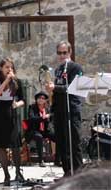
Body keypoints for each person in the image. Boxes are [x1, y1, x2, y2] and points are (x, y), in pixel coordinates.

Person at [46, 41, 83, 177]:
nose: (62, 56)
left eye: (64, 53)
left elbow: (74, 88)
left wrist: (55, 88)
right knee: (62, 143)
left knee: (74, 143)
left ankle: (78, 174)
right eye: (59, 53)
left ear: (70, 52)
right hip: (59, 110)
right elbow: (58, 90)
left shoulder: (75, 67)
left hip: (72, 109)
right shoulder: (58, 70)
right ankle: (67, 172)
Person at [0, 57, 25, 186]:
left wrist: (17, 104)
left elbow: (22, 99)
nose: (9, 69)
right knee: (1, 146)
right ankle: (6, 175)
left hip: (11, 111)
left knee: (15, 144)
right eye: (7, 67)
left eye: (11, 67)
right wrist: (7, 81)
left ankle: (18, 172)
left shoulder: (17, 81)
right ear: (1, 68)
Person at [26, 91, 55, 167]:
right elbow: (32, 118)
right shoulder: (32, 107)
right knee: (39, 137)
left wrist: (49, 117)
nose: (41, 99)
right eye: (39, 98)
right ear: (36, 99)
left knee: (56, 136)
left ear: (45, 100)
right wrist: (42, 118)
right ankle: (40, 160)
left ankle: (58, 159)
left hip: (45, 130)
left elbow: (51, 118)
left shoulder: (47, 109)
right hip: (34, 130)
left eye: (43, 98)